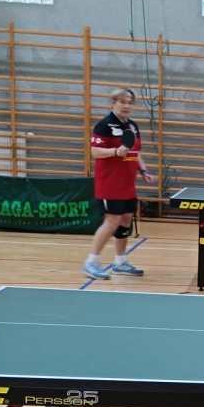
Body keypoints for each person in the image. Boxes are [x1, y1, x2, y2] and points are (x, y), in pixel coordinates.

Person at [83, 88, 154, 279]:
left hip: (127, 184)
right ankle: (91, 262)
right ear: (113, 103)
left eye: (130, 103)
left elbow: (135, 152)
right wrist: (115, 151)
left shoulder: (132, 126)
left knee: (125, 220)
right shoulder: (104, 125)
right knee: (112, 221)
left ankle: (120, 262)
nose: (126, 106)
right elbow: (95, 151)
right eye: (122, 102)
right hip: (109, 183)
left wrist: (144, 171)